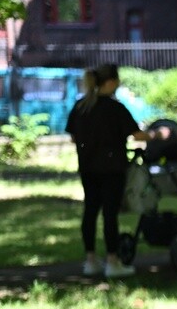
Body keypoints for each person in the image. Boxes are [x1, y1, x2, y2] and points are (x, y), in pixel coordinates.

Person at [66, 64, 167, 279]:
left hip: (88, 167)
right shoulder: (115, 108)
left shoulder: (80, 107)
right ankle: (113, 260)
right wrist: (157, 135)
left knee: (90, 211)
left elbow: (74, 136)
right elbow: (137, 135)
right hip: (112, 169)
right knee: (110, 213)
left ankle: (90, 260)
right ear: (111, 82)